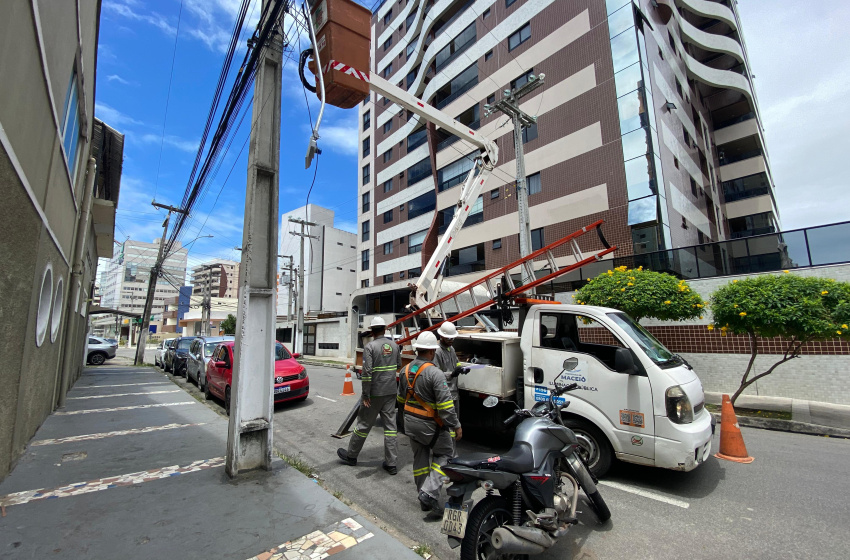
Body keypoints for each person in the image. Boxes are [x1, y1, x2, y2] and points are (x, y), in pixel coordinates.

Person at [397, 330, 461, 515]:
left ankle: (424, 497)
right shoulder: (435, 373)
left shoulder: (405, 370)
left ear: (418, 349)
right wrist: (456, 425)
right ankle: (429, 492)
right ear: (432, 352)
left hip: (411, 422)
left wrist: (405, 422)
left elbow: (401, 400)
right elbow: (447, 407)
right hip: (431, 425)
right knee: (447, 454)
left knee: (420, 460)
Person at [337, 317, 401, 475]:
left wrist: (366, 395)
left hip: (374, 393)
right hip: (391, 391)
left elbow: (366, 374)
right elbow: (398, 365)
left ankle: (351, 456)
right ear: (385, 329)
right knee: (391, 429)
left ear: (372, 331)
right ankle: (391, 463)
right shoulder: (394, 345)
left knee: (363, 425)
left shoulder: (370, 347)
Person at [434, 322, 468, 456]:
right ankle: (445, 453)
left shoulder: (451, 349)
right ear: (442, 337)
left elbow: (456, 363)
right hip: (444, 393)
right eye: (449, 338)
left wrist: (461, 368)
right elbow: (435, 374)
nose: (451, 341)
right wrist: (451, 374)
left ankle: (452, 453)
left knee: (455, 424)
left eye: (452, 338)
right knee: (445, 425)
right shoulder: (437, 351)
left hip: (454, 392)